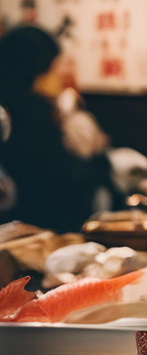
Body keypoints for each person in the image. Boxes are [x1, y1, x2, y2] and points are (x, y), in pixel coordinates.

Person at [0, 26, 114, 231]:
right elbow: (66, 178)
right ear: (34, 70)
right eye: (53, 68)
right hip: (42, 230)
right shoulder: (29, 116)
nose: (60, 75)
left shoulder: (27, 109)